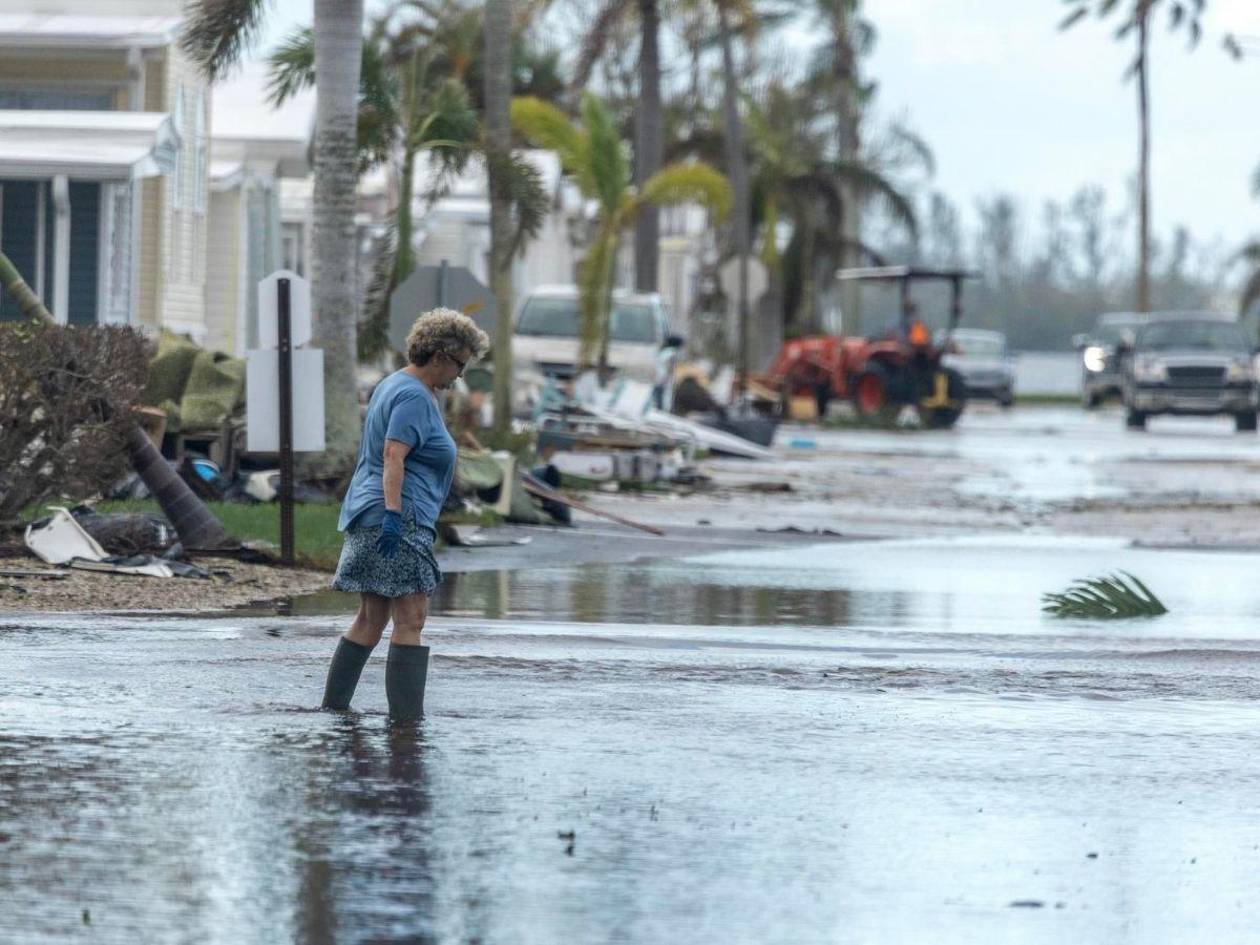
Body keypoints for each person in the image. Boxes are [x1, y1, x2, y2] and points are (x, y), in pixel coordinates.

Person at [321, 308, 489, 718]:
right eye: (460, 365)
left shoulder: (394, 384)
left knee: (372, 616)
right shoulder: (414, 395)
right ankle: (406, 725)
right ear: (439, 356)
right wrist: (395, 515)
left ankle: (334, 710)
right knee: (411, 616)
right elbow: (393, 455)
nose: (460, 376)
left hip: (372, 510)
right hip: (397, 515)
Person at [651, 335, 684, 412]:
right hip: (664, 376)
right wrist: (669, 376)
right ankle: (661, 410)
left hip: (658, 375)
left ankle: (656, 409)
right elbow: (670, 365)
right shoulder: (672, 352)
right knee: (663, 395)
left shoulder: (663, 351)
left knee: (657, 393)